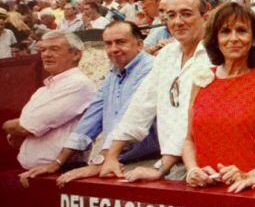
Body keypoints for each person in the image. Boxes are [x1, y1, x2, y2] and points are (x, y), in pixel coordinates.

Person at [22, 22, 159, 187]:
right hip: (118, 160)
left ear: (139, 44)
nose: (113, 49)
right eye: (108, 44)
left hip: (149, 162)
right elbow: (90, 120)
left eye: (121, 42)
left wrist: (100, 162)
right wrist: (57, 162)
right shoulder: (113, 74)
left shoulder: (151, 68)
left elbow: (128, 117)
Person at [100, 0, 212, 182]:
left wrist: (161, 167)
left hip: (206, 164)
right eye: (171, 16)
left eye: (186, 14)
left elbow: (190, 119)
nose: (177, 22)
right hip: (174, 164)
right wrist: (111, 155)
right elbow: (141, 106)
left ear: (205, 18)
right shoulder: (166, 54)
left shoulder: (215, 55)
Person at [183, 2, 255, 191]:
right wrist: (192, 170)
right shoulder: (201, 80)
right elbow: (189, 139)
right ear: (215, 39)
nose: (234, 38)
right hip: (209, 191)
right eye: (225, 31)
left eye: (241, 31)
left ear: (254, 39)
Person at [4, 31, 96, 170]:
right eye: (43, 50)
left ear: (76, 54)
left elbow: (25, 127)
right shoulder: (43, 90)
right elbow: (23, 130)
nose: (46, 54)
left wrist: (6, 125)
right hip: (37, 172)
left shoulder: (78, 84)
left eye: (54, 49)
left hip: (62, 171)